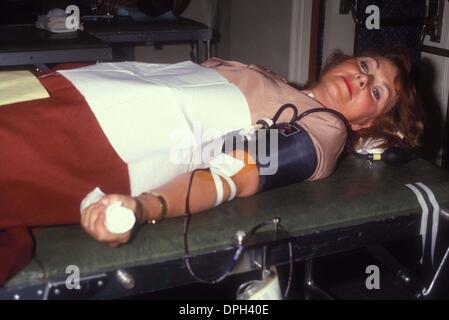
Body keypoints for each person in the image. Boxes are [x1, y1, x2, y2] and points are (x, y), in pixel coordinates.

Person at [0, 47, 423, 285]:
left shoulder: (323, 130)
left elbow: (231, 175)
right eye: (366, 66)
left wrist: (143, 208)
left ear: (366, 123)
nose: (365, 79)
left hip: (88, 138)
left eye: (379, 91)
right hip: (56, 89)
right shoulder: (271, 77)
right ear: (342, 61)